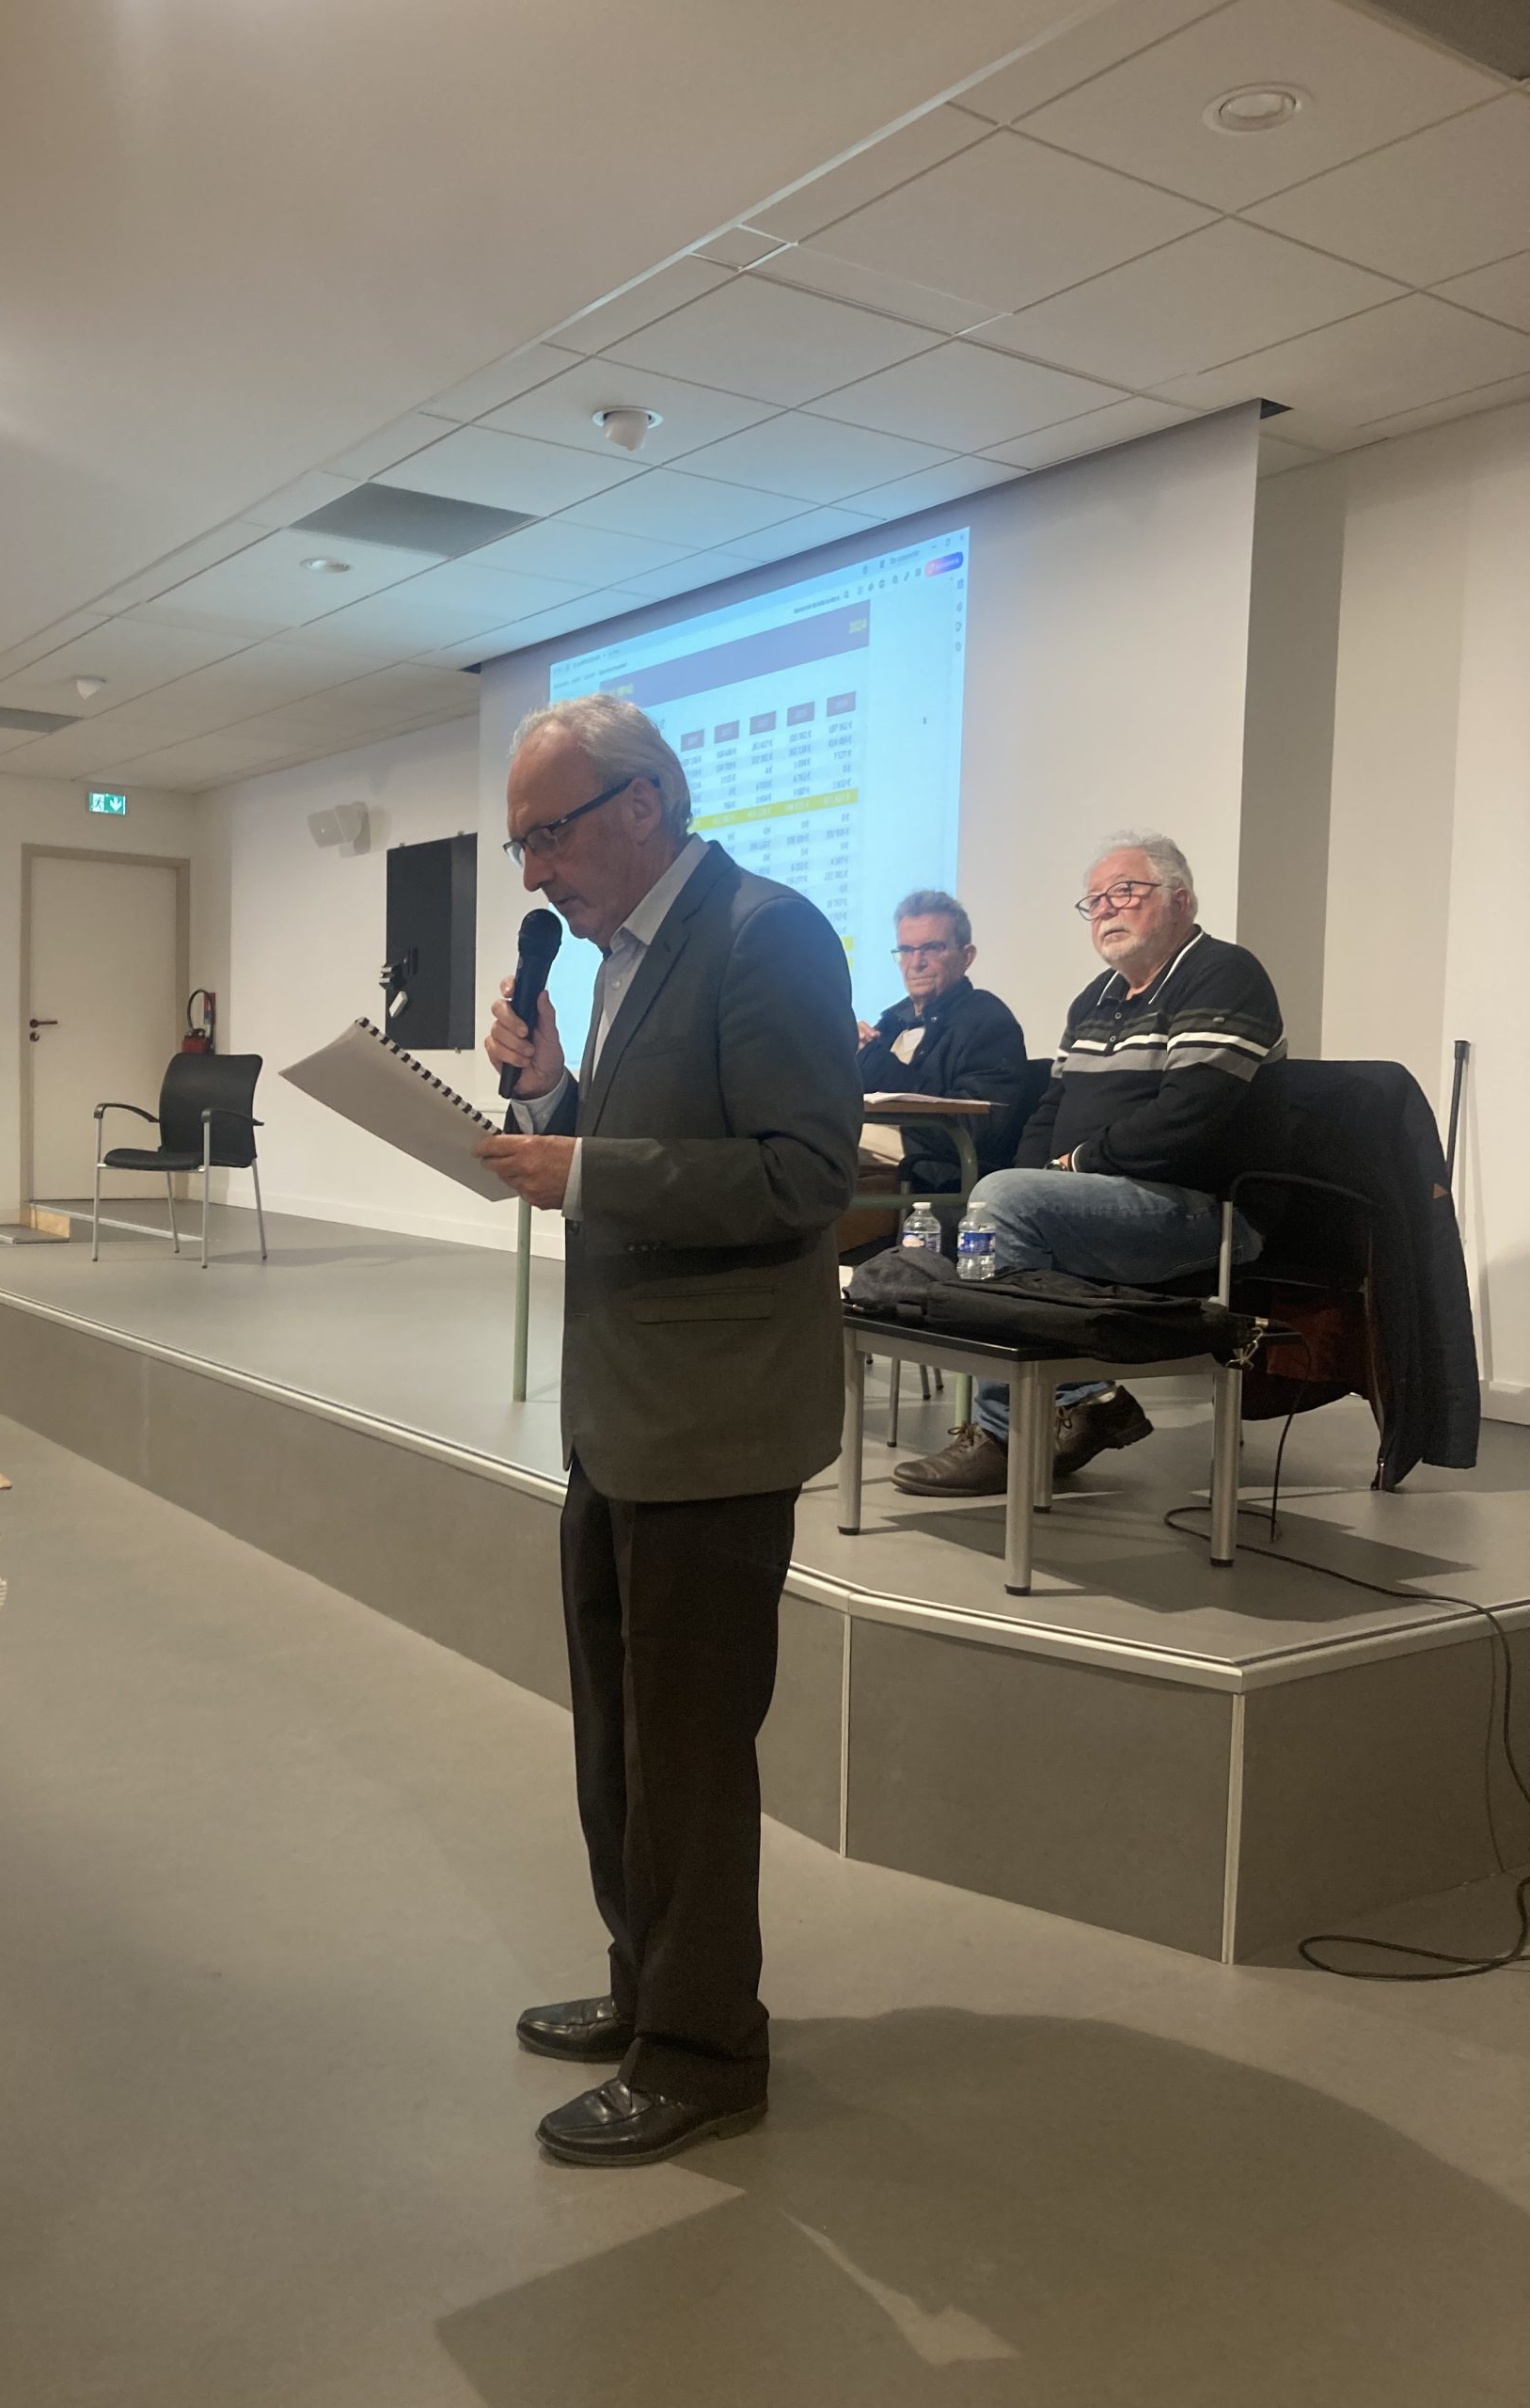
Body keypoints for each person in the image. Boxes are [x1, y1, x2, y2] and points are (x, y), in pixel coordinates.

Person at [477, 693, 860, 2169]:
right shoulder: (627, 954)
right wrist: (555, 1096)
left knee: (689, 1755)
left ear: (641, 804)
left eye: (548, 835)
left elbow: (802, 1176)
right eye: (521, 846)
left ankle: (704, 2053)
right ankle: (649, 1987)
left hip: (715, 1421)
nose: (534, 873)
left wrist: (586, 1164)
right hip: (624, 1409)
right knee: (620, 1735)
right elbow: (663, 1135)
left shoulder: (768, 935)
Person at [892, 832, 1285, 1499]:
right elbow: (1049, 1110)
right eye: (1095, 900)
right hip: (1107, 1201)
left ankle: (1007, 1435)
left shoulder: (1224, 974)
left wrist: (1073, 1166)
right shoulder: (1096, 998)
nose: (1105, 909)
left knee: (1004, 1206)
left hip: (1202, 1209)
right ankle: (1086, 1400)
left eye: (1124, 892)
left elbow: (1188, 1117)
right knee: (992, 1203)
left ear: (1181, 900)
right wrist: (1025, 1177)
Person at [857, 889, 1026, 1191]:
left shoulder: (988, 1020)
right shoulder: (893, 1021)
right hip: (876, 1153)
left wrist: (872, 1064)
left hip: (935, 1167)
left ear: (966, 956)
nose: (916, 962)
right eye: (906, 950)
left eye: (932, 948)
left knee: (815, 1143)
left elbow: (974, 1130)